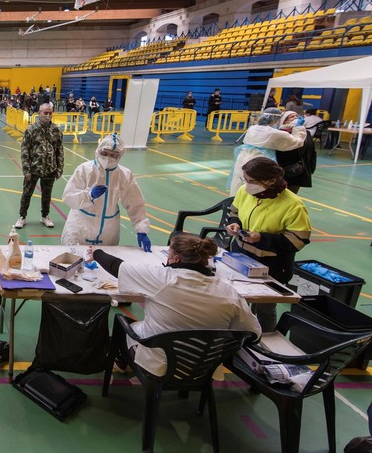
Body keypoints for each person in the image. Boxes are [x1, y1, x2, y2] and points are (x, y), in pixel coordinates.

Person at [92, 234, 261, 377]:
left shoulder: (162, 279)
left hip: (160, 365)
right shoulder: (229, 293)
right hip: (204, 368)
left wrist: (96, 252)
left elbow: (118, 267)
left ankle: (120, 364)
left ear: (175, 259)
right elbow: (254, 334)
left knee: (124, 324)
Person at [225, 157, 311, 331]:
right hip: (241, 258)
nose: (247, 184)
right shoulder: (245, 191)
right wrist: (236, 223)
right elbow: (234, 210)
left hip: (272, 266)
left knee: (265, 308)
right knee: (236, 302)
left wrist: (261, 238)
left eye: (251, 181)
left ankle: (265, 343)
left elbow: (298, 240)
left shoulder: (293, 205)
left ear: (270, 180)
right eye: (245, 179)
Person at [61, 133, 151, 250]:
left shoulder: (124, 175)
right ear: (98, 151)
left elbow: (135, 203)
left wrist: (141, 228)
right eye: (104, 153)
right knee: (74, 260)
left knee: (106, 262)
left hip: (108, 229)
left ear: (119, 156)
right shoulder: (85, 169)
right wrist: (89, 196)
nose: (108, 158)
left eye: (113, 155)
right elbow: (69, 197)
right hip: (81, 224)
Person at [228, 108, 306, 196]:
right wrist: (299, 128)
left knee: (239, 182)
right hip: (260, 161)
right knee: (256, 185)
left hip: (243, 158)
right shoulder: (275, 133)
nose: (295, 118)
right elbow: (297, 142)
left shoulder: (252, 128)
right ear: (278, 119)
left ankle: (236, 204)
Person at [15, 103, 64, 229]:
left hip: (50, 169)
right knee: (27, 193)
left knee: (47, 194)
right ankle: (22, 217)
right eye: (45, 113)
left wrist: (59, 169)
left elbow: (60, 150)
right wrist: (26, 170)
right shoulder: (31, 129)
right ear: (39, 113)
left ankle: (45, 216)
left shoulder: (56, 130)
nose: (48, 115)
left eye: (50, 113)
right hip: (33, 168)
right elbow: (25, 150)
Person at [276, 111, 316, 193]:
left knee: (291, 196)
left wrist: (311, 168)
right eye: (291, 116)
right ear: (284, 120)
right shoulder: (281, 134)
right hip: (284, 171)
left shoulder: (305, 133)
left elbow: (312, 151)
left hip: (299, 171)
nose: (296, 118)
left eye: (296, 116)